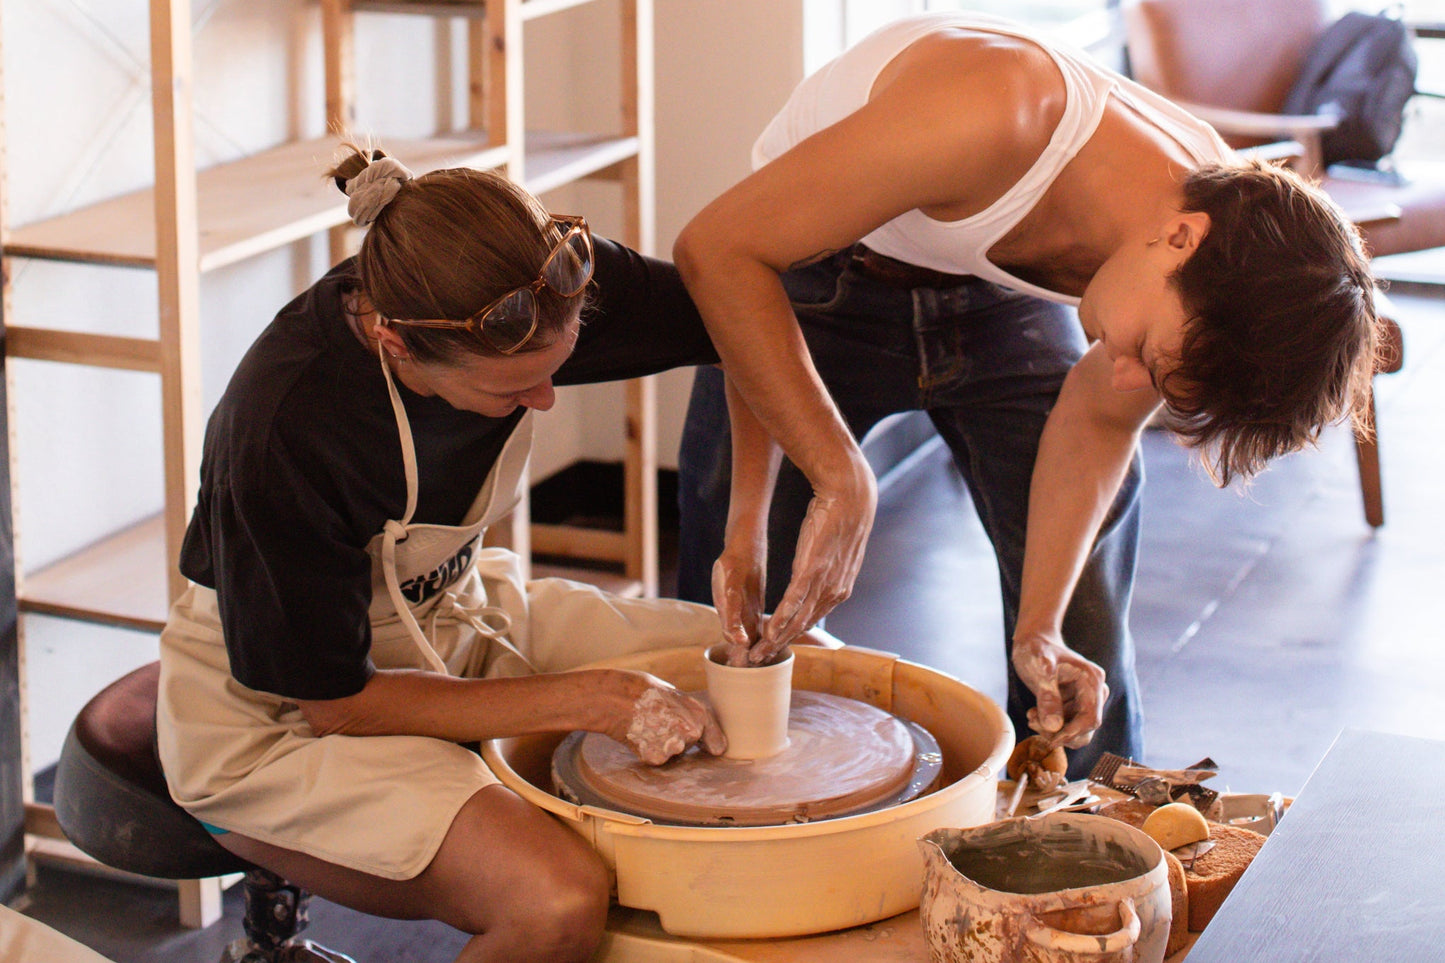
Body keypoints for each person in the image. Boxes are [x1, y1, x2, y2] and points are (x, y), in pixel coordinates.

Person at [671, 12, 1381, 778]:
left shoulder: (1202, 264)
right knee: (738, 604)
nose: (1124, 381)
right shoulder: (993, 107)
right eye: (1144, 355)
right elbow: (720, 251)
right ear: (1181, 237)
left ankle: (1090, 863)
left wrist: (1038, 628)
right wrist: (820, 483)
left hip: (995, 294)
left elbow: (1098, 426)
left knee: (1081, 630)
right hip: (812, 264)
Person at [156, 144, 734, 963]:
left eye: (555, 369)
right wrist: (592, 698)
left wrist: (772, 508)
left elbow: (742, 311)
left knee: (771, 669)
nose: (542, 399)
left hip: (455, 612)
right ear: (395, 345)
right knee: (556, 899)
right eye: (510, 391)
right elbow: (338, 703)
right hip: (280, 713)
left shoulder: (534, 288)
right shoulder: (287, 423)